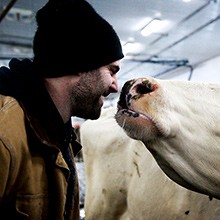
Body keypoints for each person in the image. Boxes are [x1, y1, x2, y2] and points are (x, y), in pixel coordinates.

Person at [0, 0, 124, 219]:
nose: (115, 86)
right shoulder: (4, 132)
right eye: (111, 71)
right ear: (80, 63)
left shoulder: (58, 134)